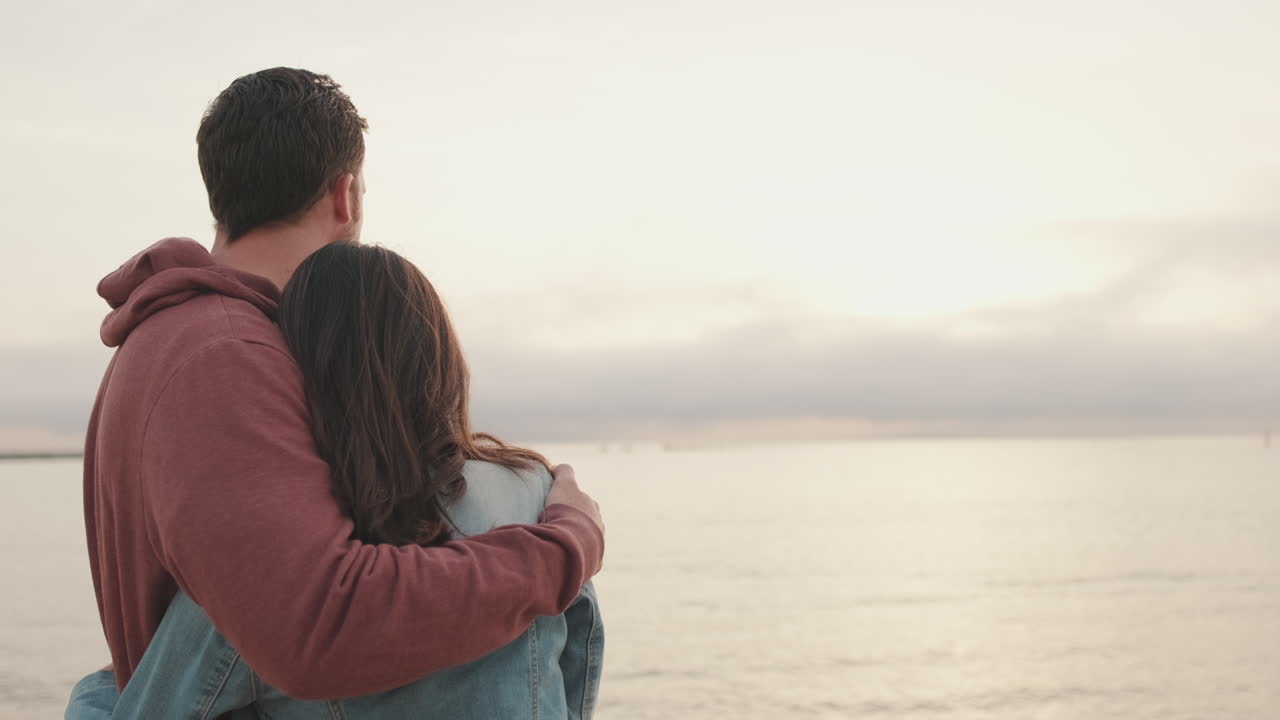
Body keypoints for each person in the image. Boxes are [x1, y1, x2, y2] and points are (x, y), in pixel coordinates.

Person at [76, 67, 604, 703]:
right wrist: (566, 545)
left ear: (222, 196)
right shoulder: (222, 353)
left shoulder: (191, 338)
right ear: (345, 195)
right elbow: (318, 629)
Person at [68, 243, 604, 718]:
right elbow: (578, 643)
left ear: (303, 374)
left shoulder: (285, 554)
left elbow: (149, 704)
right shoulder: (539, 495)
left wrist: (91, 697)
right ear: (438, 358)